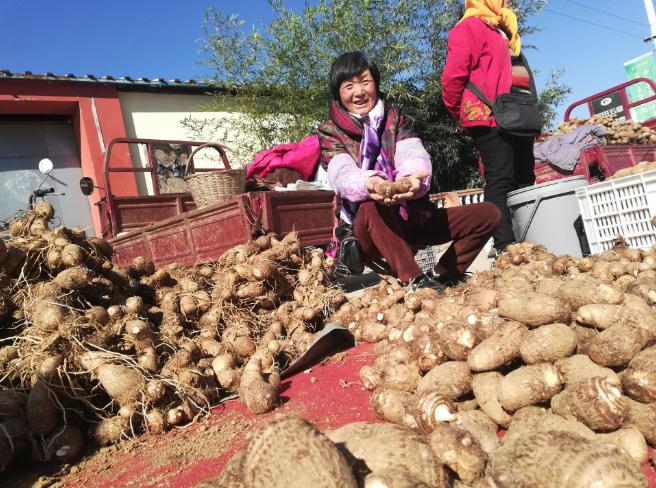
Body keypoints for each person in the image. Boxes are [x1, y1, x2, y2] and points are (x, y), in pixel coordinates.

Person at [318, 51, 500, 290]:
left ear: (376, 84)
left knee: (488, 214)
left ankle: (442, 275)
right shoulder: (330, 131)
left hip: (412, 215)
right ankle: (414, 281)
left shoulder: (395, 118)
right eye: (349, 86)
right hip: (370, 232)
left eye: (365, 82)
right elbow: (340, 172)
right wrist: (371, 184)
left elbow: (411, 151)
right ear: (338, 94)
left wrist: (413, 180)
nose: (359, 92)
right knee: (371, 205)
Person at [442, 0, 537, 254]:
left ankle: (532, 236)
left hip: (517, 113)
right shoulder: (468, 28)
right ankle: (505, 246)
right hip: (488, 115)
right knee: (501, 177)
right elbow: (453, 78)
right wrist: (459, 111)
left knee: (526, 176)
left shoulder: (505, 29)